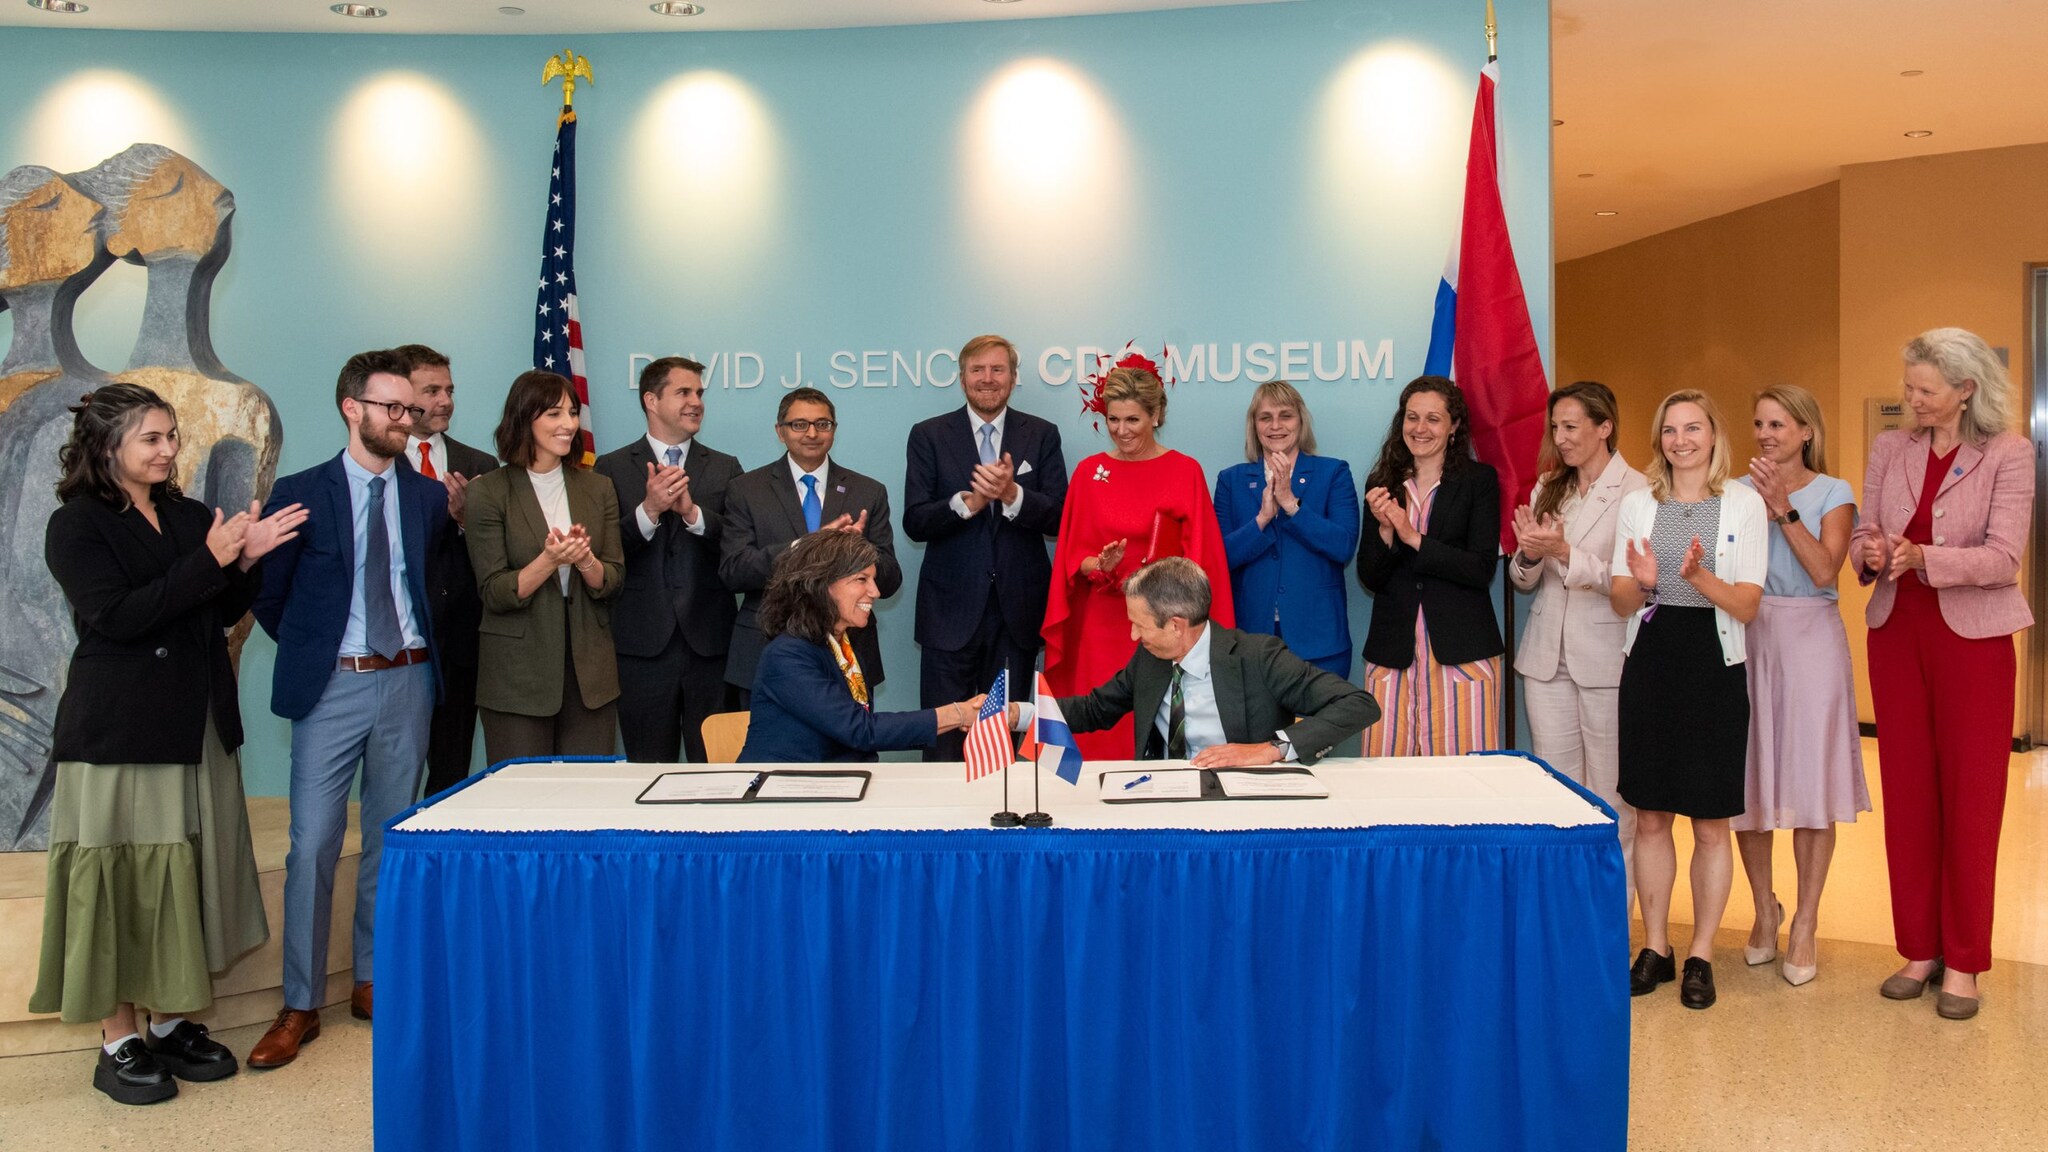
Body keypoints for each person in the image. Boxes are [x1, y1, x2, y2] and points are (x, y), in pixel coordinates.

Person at [30, 384, 304, 1103]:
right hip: (122, 732)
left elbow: (213, 614)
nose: (167, 449)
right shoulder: (78, 526)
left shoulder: (185, 516)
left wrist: (245, 563)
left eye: (171, 436)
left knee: (187, 878)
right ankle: (119, 1039)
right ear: (107, 445)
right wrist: (212, 561)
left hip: (197, 722)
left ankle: (175, 1019)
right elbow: (117, 618)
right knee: (125, 884)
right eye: (151, 438)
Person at [249, 349, 451, 1066]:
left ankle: (372, 979)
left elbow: (431, 588)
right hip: (332, 686)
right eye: (392, 408)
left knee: (391, 838)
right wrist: (319, 655)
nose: (406, 419)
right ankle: (300, 1002)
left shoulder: (428, 499)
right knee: (312, 845)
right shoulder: (301, 493)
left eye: (410, 409)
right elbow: (271, 599)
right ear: (351, 408)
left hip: (410, 684)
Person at [1856, 328, 2033, 1021]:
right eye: (1907, 388)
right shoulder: (1888, 448)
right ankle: (1919, 950)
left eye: (1925, 391)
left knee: (1971, 800)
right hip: (1898, 635)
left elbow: (2003, 559)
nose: (1911, 400)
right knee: (1908, 795)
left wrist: (1925, 558)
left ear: (1966, 390)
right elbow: (1868, 542)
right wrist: (1873, 555)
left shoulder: (2009, 454)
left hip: (1974, 642)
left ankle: (1964, 961)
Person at [1610, 389, 1767, 1010]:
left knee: (1709, 820)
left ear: (1712, 436)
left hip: (1714, 663)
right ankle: (1657, 946)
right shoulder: (1637, 504)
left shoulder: (1744, 503)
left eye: (1693, 428)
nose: (1681, 440)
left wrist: (1697, 577)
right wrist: (1646, 586)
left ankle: (1701, 951)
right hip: (1651, 660)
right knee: (1650, 816)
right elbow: (1622, 600)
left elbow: (1748, 606)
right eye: (1670, 429)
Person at [1733, 385, 1869, 987]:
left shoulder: (1834, 492)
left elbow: (1823, 569)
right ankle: (1765, 911)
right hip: (1748, 636)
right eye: (1760, 424)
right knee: (1749, 781)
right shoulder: (1734, 493)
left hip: (1811, 639)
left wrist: (1783, 507)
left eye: (1779, 424)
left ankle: (1807, 920)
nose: (1766, 434)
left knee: (1811, 784)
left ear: (1806, 430)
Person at [1042, 353, 1234, 760]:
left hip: (1162, 627)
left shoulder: (1185, 471)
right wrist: (1100, 565)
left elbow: (1202, 561)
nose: (1121, 431)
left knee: (1152, 727)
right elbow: (1073, 558)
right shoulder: (1088, 472)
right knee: (1099, 727)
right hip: (1101, 625)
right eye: (1113, 420)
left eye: (1133, 420)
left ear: (1157, 415)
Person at [1509, 381, 1646, 898]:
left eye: (1571, 427)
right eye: (1556, 428)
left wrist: (1565, 552)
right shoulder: (1549, 487)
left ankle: (1615, 918)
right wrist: (1529, 554)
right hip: (1546, 659)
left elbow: (1632, 583)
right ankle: (1567, 909)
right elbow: (1524, 579)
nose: (1560, 438)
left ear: (1604, 426)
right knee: (1560, 795)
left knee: (1613, 798)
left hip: (1607, 657)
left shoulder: (1639, 491)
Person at [903, 334, 1068, 760]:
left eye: (998, 370)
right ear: (962, 379)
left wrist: (1013, 495)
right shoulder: (929, 435)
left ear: (1014, 378)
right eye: (978, 370)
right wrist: (967, 504)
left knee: (1007, 739)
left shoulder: (1042, 434)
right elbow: (915, 521)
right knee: (944, 737)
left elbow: (1059, 517)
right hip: (949, 613)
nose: (988, 379)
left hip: (1018, 613)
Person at [1052, 558, 1378, 763]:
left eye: (1140, 625)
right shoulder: (1150, 658)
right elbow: (1094, 709)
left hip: (1243, 807)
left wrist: (1271, 748)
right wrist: (1022, 715)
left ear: (1177, 625)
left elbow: (1358, 703)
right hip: (1163, 802)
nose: (1134, 636)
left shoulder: (1258, 657)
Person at [464, 370, 625, 763]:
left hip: (590, 676)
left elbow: (614, 578)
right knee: (521, 805)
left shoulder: (598, 487)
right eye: (554, 414)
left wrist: (585, 560)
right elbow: (494, 591)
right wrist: (549, 560)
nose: (568, 424)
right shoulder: (488, 491)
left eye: (572, 413)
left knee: (587, 800)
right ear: (525, 418)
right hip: (518, 678)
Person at [595, 356, 742, 763]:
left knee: (716, 772)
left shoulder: (726, 467)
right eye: (683, 392)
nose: (696, 402)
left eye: (699, 393)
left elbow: (737, 545)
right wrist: (650, 509)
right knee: (646, 769)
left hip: (710, 645)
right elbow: (603, 554)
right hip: (641, 646)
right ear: (651, 400)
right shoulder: (608, 467)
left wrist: (693, 514)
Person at [721, 387, 900, 703]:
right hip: (765, 650)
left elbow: (889, 579)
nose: (812, 433)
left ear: (834, 429)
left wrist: (858, 556)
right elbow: (734, 570)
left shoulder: (868, 491)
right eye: (799, 424)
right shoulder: (746, 489)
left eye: (823, 424)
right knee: (768, 751)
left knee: (853, 748)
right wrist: (803, 547)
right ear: (780, 432)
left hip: (849, 652)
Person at [1356, 376, 1505, 755]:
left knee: (1463, 784)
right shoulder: (1382, 482)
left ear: (1454, 425)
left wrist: (1412, 537)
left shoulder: (1479, 481)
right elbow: (1369, 577)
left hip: (1461, 655)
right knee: (1387, 780)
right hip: (1394, 656)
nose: (1420, 429)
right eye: (1412, 417)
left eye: (1433, 419)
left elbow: (1480, 568)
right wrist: (1387, 533)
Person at [739, 531, 982, 763]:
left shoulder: (844, 646)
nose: (875, 591)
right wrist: (956, 713)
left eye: (873, 580)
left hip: (834, 786)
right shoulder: (786, 656)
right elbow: (860, 729)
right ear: (821, 585)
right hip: (779, 793)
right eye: (861, 579)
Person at [395, 343, 498, 795]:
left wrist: (465, 522)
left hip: (460, 641)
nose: (445, 401)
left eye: (449, 390)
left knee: (451, 768)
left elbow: (495, 557)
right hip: (397, 642)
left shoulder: (480, 465)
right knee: (395, 771)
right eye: (431, 390)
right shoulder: (379, 462)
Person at [1213, 380, 1360, 678]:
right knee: (1259, 727)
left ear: (1301, 421)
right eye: (1265, 417)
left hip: (1319, 642)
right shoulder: (1231, 480)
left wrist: (1292, 506)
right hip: (1250, 640)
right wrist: (1262, 519)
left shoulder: (1334, 473)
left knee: (1317, 726)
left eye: (1286, 415)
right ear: (1254, 425)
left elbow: (1343, 545)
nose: (1275, 425)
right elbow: (1220, 557)